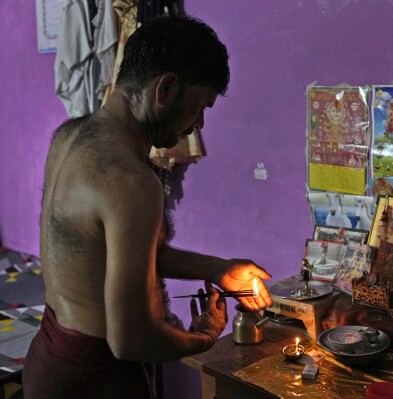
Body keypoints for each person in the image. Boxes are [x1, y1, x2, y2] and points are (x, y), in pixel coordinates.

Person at [23, 15, 273, 399]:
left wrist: (219, 270)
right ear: (166, 88)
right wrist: (201, 338)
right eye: (199, 107)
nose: (197, 125)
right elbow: (131, 340)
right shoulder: (132, 183)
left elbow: (118, 252)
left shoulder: (70, 135)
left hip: (49, 363)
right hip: (92, 382)